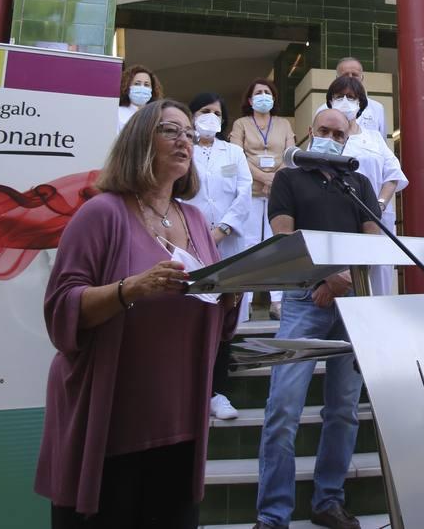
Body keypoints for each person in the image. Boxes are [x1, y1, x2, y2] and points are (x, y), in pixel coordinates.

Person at [37, 99, 238, 528]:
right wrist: (131, 289)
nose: (184, 139)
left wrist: (230, 296)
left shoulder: (197, 220)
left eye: (188, 132)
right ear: (138, 142)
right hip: (113, 420)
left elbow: (210, 317)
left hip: (181, 419)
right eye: (170, 130)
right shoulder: (102, 213)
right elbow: (60, 310)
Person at [254, 109, 382, 529]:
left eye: (337, 134)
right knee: (282, 408)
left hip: (353, 305)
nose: (329, 137)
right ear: (310, 132)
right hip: (303, 300)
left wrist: (342, 282)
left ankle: (328, 500)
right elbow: (285, 237)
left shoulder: (358, 182)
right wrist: (327, 278)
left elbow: (373, 241)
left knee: (343, 409)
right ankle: (273, 514)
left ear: (347, 140)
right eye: (323, 130)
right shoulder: (289, 180)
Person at [185, 92, 253, 421]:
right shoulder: (183, 149)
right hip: (190, 244)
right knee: (195, 316)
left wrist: (223, 229)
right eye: (203, 111)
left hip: (227, 244)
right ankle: (192, 390)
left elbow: (244, 190)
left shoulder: (234, 151)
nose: (210, 117)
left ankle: (218, 392)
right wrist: (197, 236)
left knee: (226, 319)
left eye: (216, 112)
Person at [328, 75, 407, 295]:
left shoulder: (374, 137)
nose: (344, 101)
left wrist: (379, 205)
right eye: (339, 96)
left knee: (379, 280)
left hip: (376, 218)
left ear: (360, 103)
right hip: (339, 220)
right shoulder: (325, 137)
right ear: (330, 101)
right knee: (346, 282)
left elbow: (392, 174)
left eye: (350, 97)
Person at [229, 78, 296, 321]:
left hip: (278, 193)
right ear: (250, 99)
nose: (264, 96)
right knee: (246, 245)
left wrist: (274, 180)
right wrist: (263, 178)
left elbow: (290, 155)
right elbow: (236, 154)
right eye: (258, 92)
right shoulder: (241, 124)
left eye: (268, 92)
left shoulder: (284, 124)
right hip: (250, 191)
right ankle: (242, 302)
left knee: (277, 244)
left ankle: (277, 302)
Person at [314, 56, 386, 136]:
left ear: (362, 78)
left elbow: (382, 141)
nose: (350, 78)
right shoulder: (323, 111)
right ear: (337, 79)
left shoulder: (377, 108)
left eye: (355, 75)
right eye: (345, 75)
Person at [116, 64, 161, 129]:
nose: (142, 87)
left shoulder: (158, 115)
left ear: (152, 89)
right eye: (137, 84)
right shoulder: (118, 113)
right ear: (127, 87)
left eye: (146, 85)